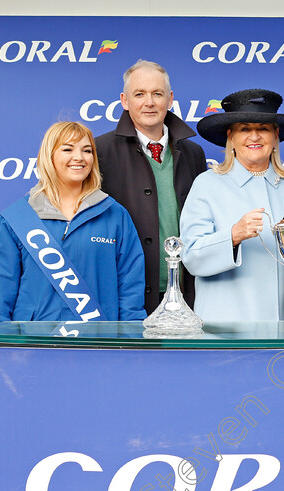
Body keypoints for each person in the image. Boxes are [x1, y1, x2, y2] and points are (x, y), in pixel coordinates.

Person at [0, 121, 148, 324]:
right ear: (49, 157)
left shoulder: (115, 214)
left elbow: (130, 295)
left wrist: (129, 344)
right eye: (67, 149)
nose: (79, 157)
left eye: (87, 150)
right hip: (34, 347)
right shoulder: (17, 218)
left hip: (98, 345)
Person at [180, 88, 284, 321]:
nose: (254, 137)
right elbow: (191, 257)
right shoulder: (207, 184)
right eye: (245, 129)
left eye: (263, 129)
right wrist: (232, 235)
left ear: (275, 135)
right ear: (231, 136)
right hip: (226, 332)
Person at [96, 60, 207, 315]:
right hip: (126, 291)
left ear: (170, 100)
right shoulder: (99, 152)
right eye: (140, 94)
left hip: (186, 290)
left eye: (157, 94)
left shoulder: (193, 153)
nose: (149, 102)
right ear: (124, 101)